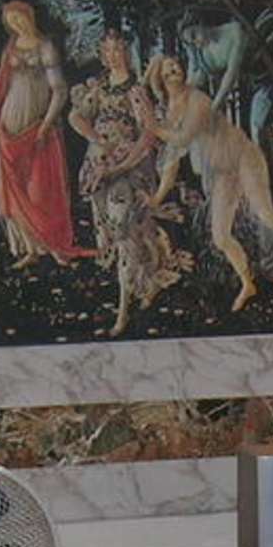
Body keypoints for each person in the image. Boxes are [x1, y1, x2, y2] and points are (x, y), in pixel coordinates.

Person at [143, 52, 273, 312]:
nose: (174, 71)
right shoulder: (171, 112)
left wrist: (153, 127)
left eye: (176, 66)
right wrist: (157, 198)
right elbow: (172, 161)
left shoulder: (197, 99)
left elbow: (183, 138)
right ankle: (248, 283)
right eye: (167, 70)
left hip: (244, 158)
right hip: (223, 171)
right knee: (221, 236)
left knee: (266, 214)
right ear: (161, 79)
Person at [68, 30, 189, 337]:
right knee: (122, 235)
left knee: (123, 231)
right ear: (102, 55)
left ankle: (123, 309)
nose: (113, 56)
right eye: (108, 50)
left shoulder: (137, 90)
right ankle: (147, 280)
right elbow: (75, 118)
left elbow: (148, 135)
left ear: (127, 52)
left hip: (130, 169)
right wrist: (98, 140)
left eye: (118, 50)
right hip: (99, 168)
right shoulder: (99, 88)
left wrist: (122, 164)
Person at [0, 0, 89, 269]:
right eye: (11, 21)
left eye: (19, 17)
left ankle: (53, 246)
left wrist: (45, 124)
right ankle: (30, 249)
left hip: (37, 126)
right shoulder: (10, 47)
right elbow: (0, 83)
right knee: (15, 190)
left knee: (40, 191)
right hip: (8, 126)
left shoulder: (45, 46)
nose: (17, 24)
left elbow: (59, 90)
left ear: (29, 16)